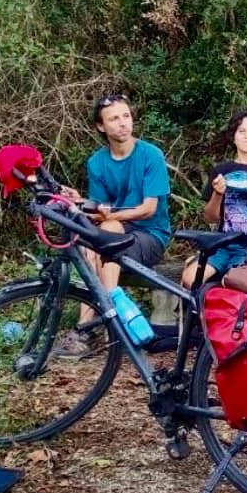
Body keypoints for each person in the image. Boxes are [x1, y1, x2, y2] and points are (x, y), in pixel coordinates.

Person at [61, 94, 172, 323]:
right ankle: (88, 326)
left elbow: (148, 209)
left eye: (126, 116)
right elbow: (100, 210)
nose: (123, 123)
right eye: (114, 119)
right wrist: (80, 202)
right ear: (101, 126)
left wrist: (111, 216)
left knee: (108, 232)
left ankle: (112, 321)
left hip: (150, 236)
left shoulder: (151, 155)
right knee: (89, 247)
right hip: (115, 232)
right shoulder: (97, 162)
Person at [183, 109, 247, 287]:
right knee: (189, 279)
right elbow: (209, 217)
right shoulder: (222, 170)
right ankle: (198, 312)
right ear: (233, 137)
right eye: (241, 131)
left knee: (236, 283)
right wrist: (218, 193)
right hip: (221, 244)